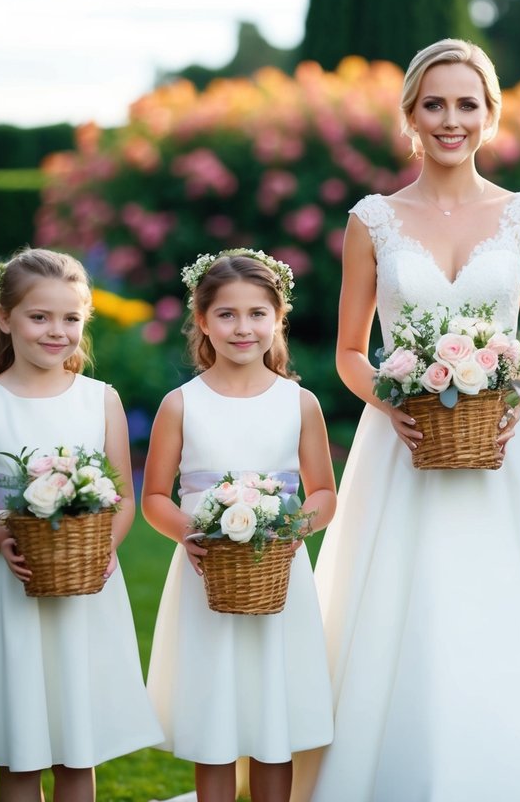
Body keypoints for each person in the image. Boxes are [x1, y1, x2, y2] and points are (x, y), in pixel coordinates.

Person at [298, 37, 520, 801]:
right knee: (395, 615)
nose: (451, 119)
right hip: (399, 448)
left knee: (503, 613)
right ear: (410, 116)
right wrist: (394, 401)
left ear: (490, 114)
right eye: (435, 104)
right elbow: (351, 350)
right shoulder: (371, 220)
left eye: (466, 104)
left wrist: (512, 398)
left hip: (502, 449)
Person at [0, 247, 161, 801]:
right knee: (21, 750)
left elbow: (123, 500)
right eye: (40, 317)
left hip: (84, 593)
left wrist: (100, 549)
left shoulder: (99, 401)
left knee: (75, 746)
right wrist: (1, 538)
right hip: (11, 589)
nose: (56, 331)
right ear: (6, 318)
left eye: (70, 318)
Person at [143, 249, 336, 802]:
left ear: (279, 318)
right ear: (202, 321)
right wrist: (189, 531)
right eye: (226, 314)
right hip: (209, 578)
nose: (242, 327)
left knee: (273, 718)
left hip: (279, 578)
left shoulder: (299, 403)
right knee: (216, 716)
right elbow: (155, 496)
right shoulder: (181, 405)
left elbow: (324, 492)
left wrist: (290, 530)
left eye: (257, 313)